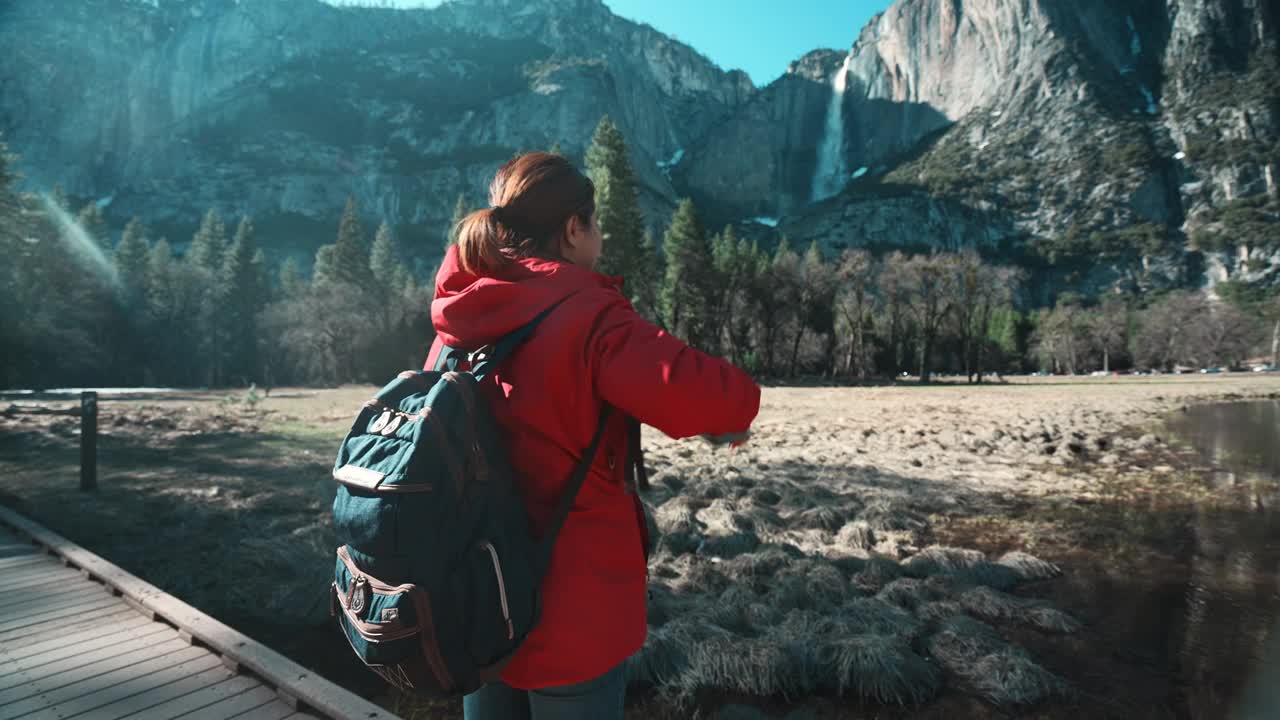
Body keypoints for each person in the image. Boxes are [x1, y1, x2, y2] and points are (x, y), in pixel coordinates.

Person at [424, 152, 760, 719]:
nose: (599, 235)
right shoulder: (588, 314)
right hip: (569, 612)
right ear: (574, 228)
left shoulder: (458, 321)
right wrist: (731, 420)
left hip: (474, 597)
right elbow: (723, 397)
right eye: (595, 222)